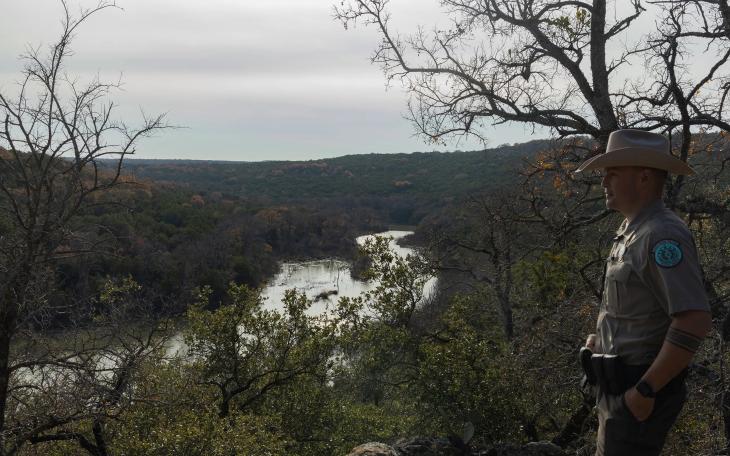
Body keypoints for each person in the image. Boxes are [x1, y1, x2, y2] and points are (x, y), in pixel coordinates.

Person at [574, 129, 713, 456]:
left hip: (637, 394)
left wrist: (645, 390)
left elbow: (694, 319)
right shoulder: (630, 230)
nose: (604, 182)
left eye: (613, 173)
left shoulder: (661, 234)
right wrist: (601, 338)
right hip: (616, 390)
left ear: (645, 177)